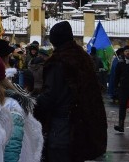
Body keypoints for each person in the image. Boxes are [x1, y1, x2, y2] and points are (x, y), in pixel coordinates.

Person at [35, 21, 106, 162]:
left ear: (54, 40)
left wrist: (29, 102)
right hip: (83, 127)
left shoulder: (58, 61)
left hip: (62, 127)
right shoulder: (83, 58)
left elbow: (50, 96)